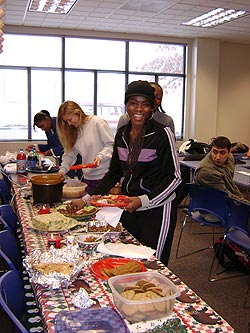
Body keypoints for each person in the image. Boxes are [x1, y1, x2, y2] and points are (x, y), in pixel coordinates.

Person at [71, 80, 181, 266]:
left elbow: (175, 178)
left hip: (158, 209)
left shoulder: (163, 134)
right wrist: (86, 199)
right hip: (129, 204)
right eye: (133, 103)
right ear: (126, 105)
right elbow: (114, 173)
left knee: (154, 263)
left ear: (152, 107)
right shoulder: (121, 134)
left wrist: (143, 201)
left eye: (145, 104)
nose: (139, 108)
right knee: (131, 257)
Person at [57, 100, 114, 193]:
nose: (69, 124)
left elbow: (111, 145)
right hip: (87, 178)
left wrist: (101, 156)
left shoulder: (97, 123)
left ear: (77, 113)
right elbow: (69, 154)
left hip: (104, 177)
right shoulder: (74, 130)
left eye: (70, 119)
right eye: (66, 121)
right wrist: (62, 170)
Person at [26, 110, 82, 179]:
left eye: (42, 126)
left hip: (74, 158)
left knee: (74, 180)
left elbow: (67, 144)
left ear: (47, 119)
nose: (43, 129)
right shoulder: (48, 130)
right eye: (40, 128)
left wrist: (53, 151)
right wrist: (36, 147)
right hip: (65, 159)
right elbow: (51, 145)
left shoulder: (61, 124)